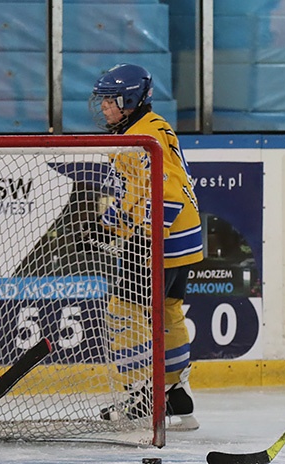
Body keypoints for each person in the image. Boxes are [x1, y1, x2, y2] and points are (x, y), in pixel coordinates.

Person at [88, 63, 203, 431]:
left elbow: (164, 191)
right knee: (167, 312)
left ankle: (142, 394)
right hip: (184, 235)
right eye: (103, 100)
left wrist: (143, 238)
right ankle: (176, 396)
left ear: (132, 99)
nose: (105, 107)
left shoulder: (142, 136)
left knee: (124, 311)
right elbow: (138, 191)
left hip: (161, 237)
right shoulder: (148, 128)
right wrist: (111, 224)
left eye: (111, 100)